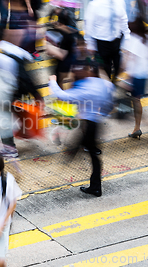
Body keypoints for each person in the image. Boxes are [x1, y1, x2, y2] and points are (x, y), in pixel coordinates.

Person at [49, 61, 114, 197]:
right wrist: (103, 113)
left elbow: (64, 96)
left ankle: (94, 186)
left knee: (91, 152)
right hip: (93, 122)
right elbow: (109, 97)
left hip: (91, 124)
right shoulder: (97, 82)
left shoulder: (85, 87)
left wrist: (52, 82)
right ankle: (93, 183)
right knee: (91, 151)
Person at [85, 0, 130, 81]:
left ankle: (114, 80)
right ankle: (108, 86)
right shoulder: (94, 5)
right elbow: (89, 25)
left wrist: (127, 36)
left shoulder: (120, 2)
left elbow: (123, 19)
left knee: (119, 64)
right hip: (102, 42)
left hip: (116, 40)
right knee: (106, 67)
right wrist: (90, 43)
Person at [122, 18, 148, 140]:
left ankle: (138, 126)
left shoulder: (133, 40)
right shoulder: (146, 39)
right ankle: (137, 126)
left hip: (135, 76)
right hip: (144, 75)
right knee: (136, 100)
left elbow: (130, 60)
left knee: (134, 100)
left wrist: (127, 78)